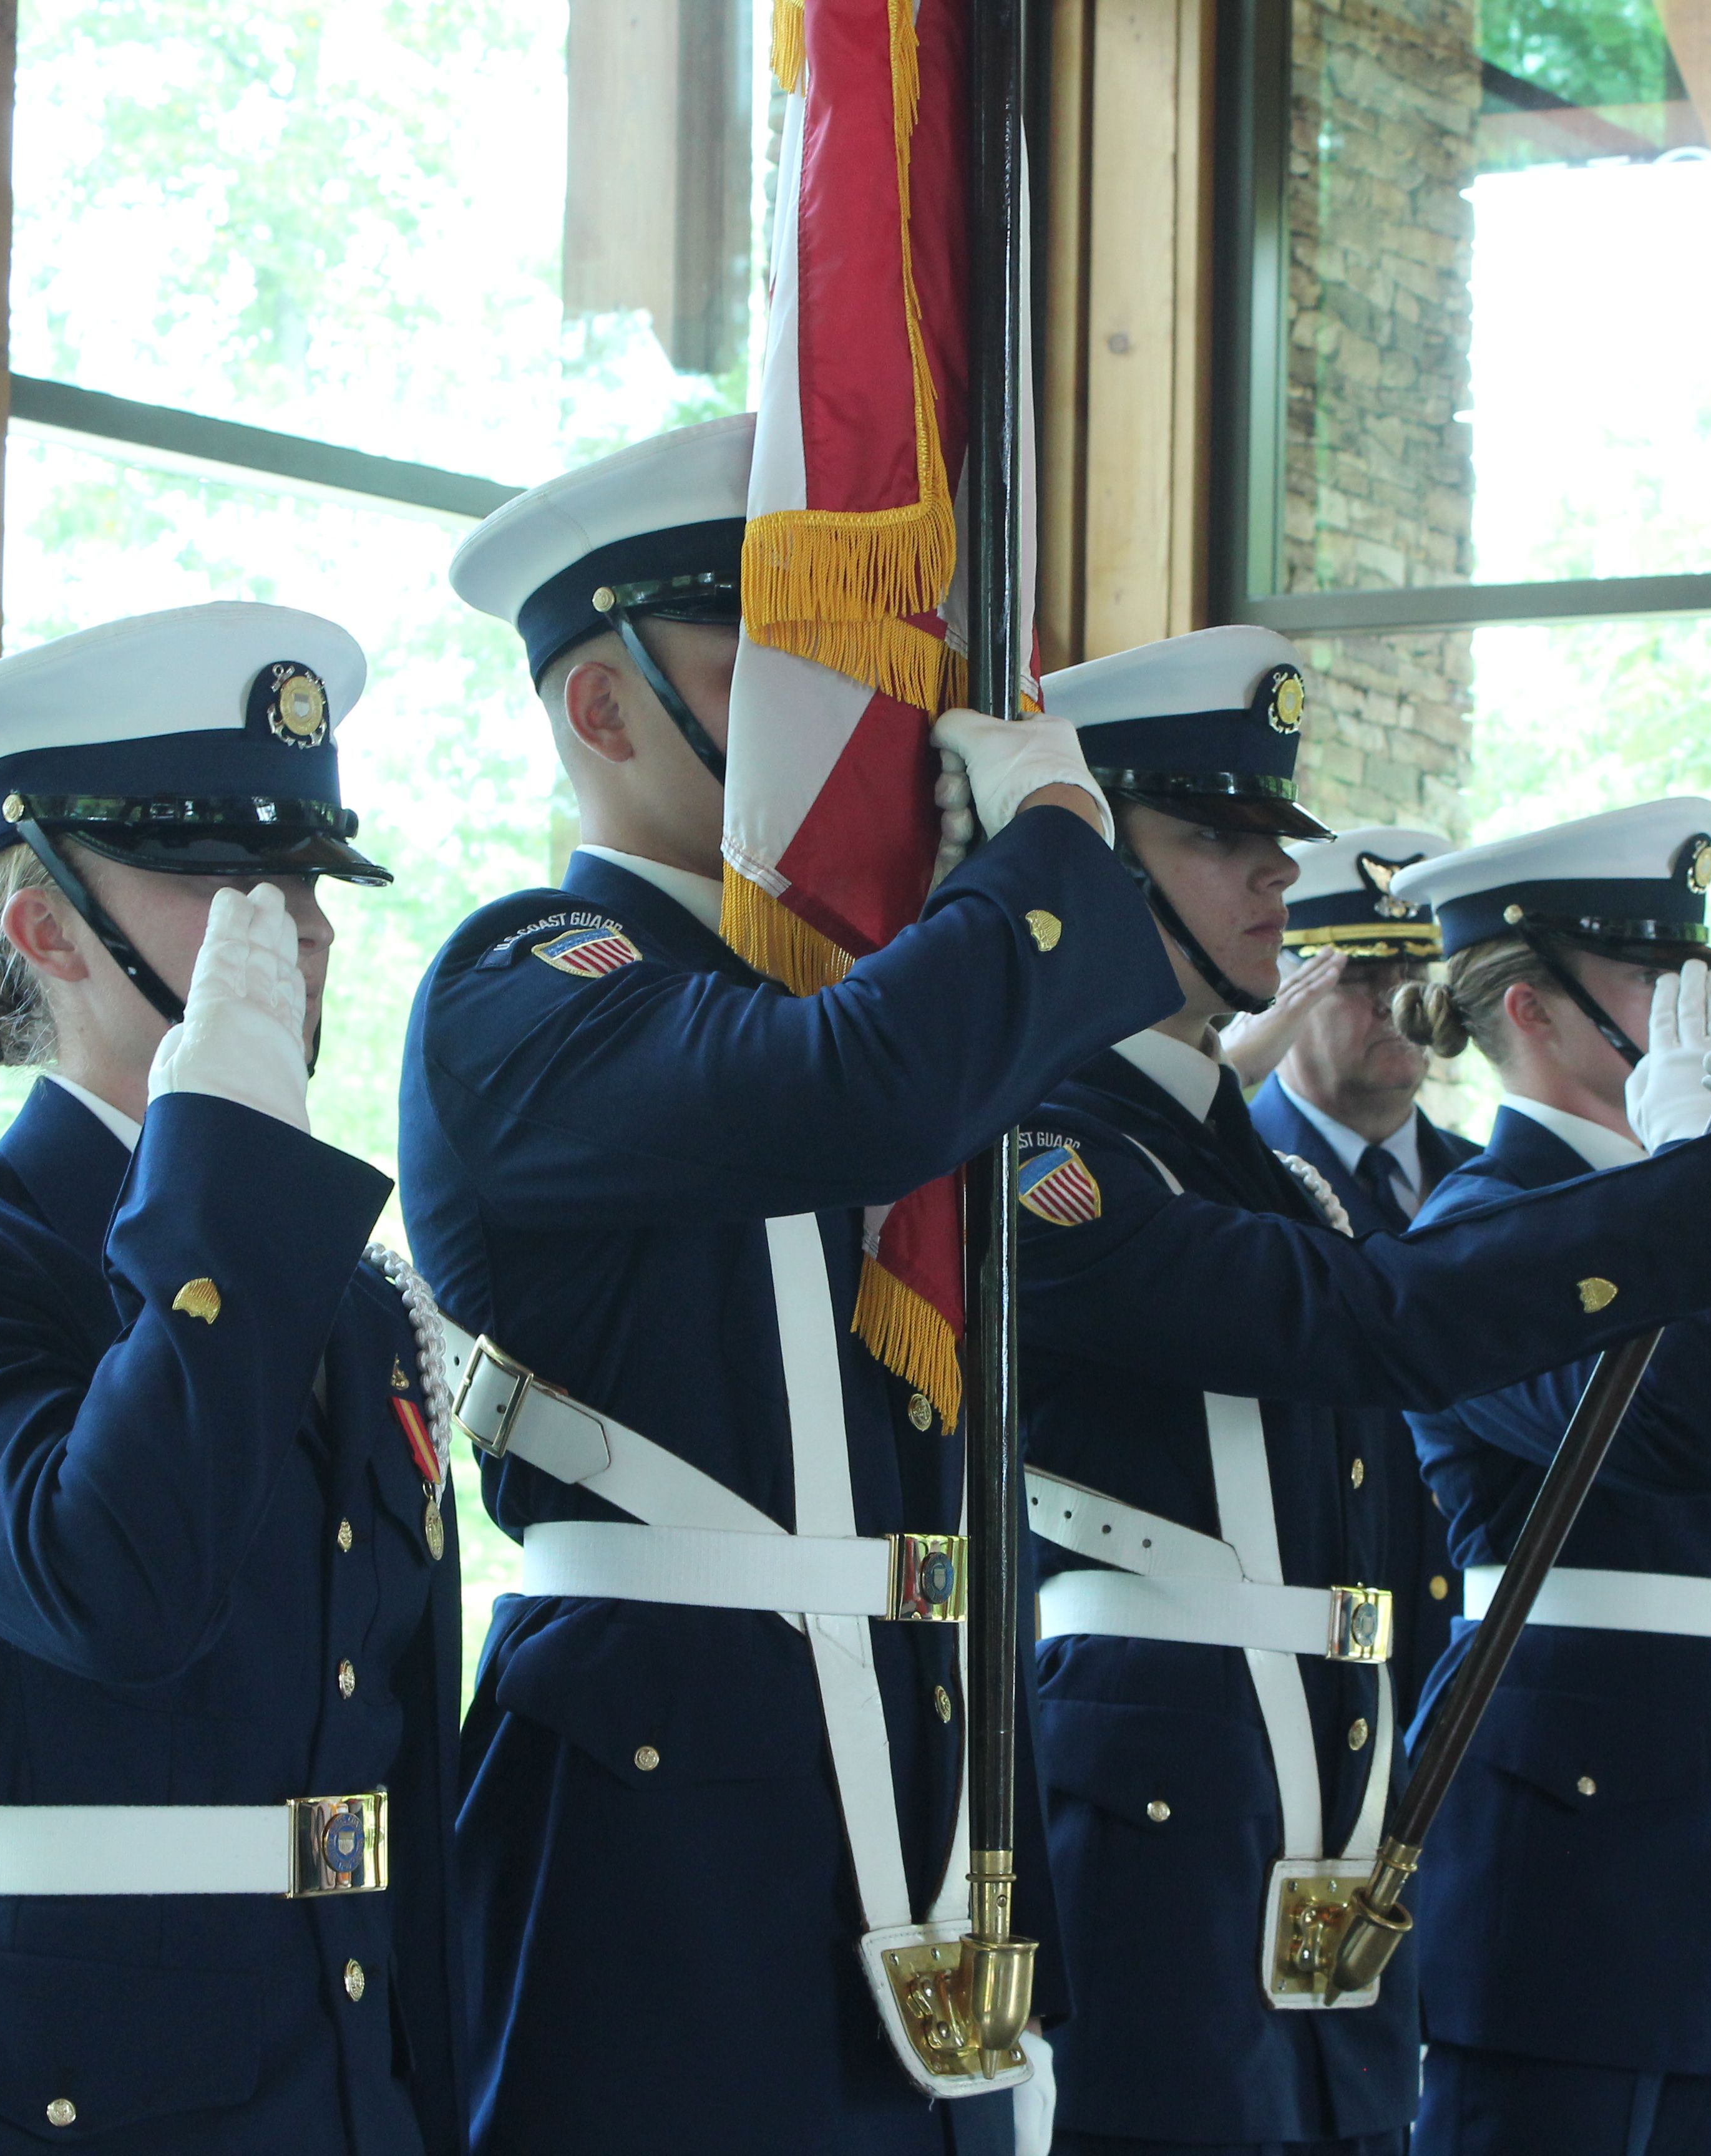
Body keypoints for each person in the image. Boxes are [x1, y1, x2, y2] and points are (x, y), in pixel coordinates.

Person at [407, 414, 1176, 2156]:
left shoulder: (867, 1001)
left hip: (907, 1782)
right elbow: (847, 1093)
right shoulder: (524, 981)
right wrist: (1051, 845)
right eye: (772, 663)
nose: (850, 718)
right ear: (603, 711)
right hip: (667, 1836)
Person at [1009, 692, 1711, 2156]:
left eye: (1274, 834)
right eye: (1214, 835)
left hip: (1323, 1785)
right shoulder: (1053, 1146)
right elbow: (1389, 1325)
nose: (1278, 873)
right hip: (1174, 1797)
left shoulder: (1248, 1168)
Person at [0, 605, 462, 2155]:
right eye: (224, 880)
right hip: (64, 2093)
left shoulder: (343, 1291)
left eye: (309, 878)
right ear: (44, 929)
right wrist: (224, 1160)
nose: (299, 925)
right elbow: (114, 1587)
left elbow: (403, 1751)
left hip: (339, 2079)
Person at [1391, 802, 1711, 2156]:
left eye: (1700, 969)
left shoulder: (1679, 1196)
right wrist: (1706, 1173)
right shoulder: (1481, 1229)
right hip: (1562, 1845)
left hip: (1707, 1814)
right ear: (1533, 1007)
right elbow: (1686, 1431)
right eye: (1654, 975)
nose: (1698, 1006)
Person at [1237, 824, 1481, 1727]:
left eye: (1414, 973)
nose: (1397, 1004)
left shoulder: (1487, 1185)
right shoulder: (1233, 1169)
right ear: (1285, 988)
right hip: (1296, 1665)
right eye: (1359, 976)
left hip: (1466, 1661)